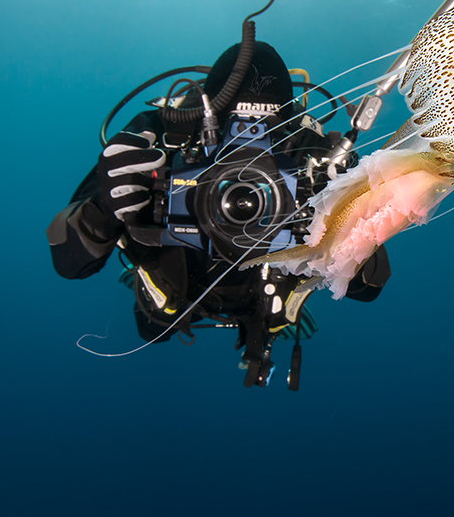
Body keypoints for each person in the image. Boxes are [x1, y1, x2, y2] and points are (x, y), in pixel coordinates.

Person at [47, 40, 390, 389]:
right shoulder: (162, 139)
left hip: (263, 294)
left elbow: (370, 286)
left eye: (268, 133)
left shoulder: (311, 156)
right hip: (174, 287)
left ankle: (282, 315)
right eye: (232, 129)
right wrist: (105, 208)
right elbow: (67, 260)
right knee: (153, 325)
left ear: (287, 126)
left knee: (273, 319)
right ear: (204, 118)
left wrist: (350, 216)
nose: (249, 146)